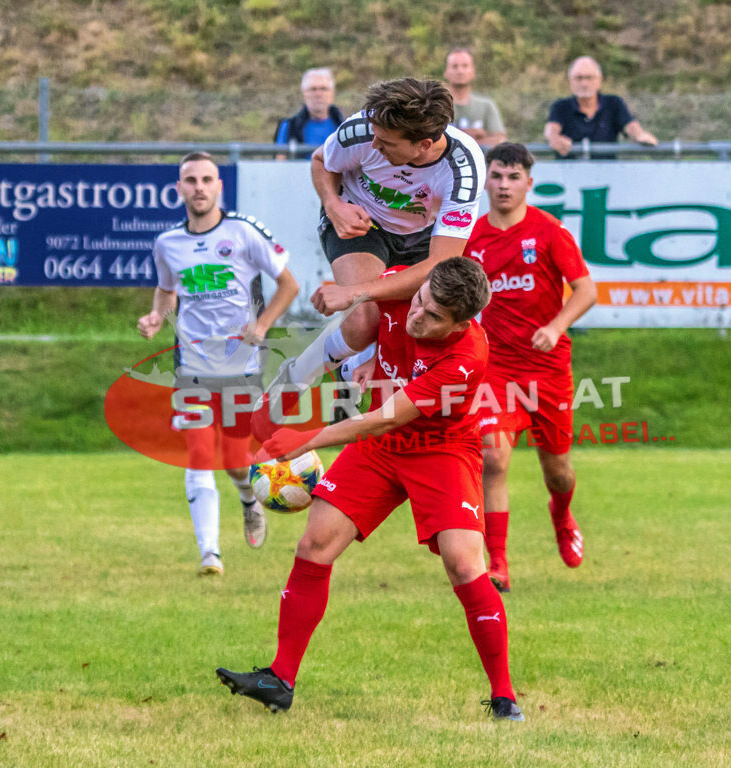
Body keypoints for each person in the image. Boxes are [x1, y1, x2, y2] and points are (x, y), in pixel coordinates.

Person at [216, 258, 525, 722]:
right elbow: (364, 324)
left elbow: (385, 417)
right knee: (314, 544)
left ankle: (504, 697)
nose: (418, 314)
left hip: (440, 451)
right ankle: (279, 680)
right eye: (420, 301)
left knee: (463, 563)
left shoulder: (468, 358)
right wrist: (362, 362)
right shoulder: (403, 289)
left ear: (461, 324)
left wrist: (304, 437)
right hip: (381, 449)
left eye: (434, 317)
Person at [137, 151, 299, 575]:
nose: (199, 188)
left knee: (232, 459)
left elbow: (289, 285)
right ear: (179, 189)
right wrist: (157, 316)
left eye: (207, 179)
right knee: (198, 454)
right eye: (190, 180)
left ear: (218, 186)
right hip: (190, 360)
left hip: (240, 364)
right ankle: (210, 554)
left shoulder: (244, 233)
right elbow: (166, 290)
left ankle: (249, 499)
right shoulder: (167, 243)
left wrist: (263, 326)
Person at [465, 143, 597, 593]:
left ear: (528, 183)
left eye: (513, 177)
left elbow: (585, 291)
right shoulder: (470, 238)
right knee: (492, 457)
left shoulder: (549, 232)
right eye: (497, 176)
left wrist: (557, 325)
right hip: (497, 370)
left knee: (556, 469)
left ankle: (561, 515)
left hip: (548, 370)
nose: (504, 185)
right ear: (486, 182)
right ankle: (497, 562)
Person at [307, 76, 486, 370]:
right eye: (375, 134)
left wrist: (352, 292)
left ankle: (355, 374)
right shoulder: (363, 128)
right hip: (360, 219)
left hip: (422, 235)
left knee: (424, 324)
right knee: (364, 321)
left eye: (386, 142)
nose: (374, 144)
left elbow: (441, 262)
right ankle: (300, 373)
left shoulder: (464, 169)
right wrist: (333, 204)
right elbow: (320, 161)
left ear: (423, 144)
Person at [544, 56, 657, 159]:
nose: (584, 83)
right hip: (568, 175)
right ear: (570, 82)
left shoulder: (614, 103)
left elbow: (629, 125)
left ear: (599, 81)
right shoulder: (561, 106)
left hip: (607, 174)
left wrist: (639, 135)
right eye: (579, 78)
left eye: (589, 78)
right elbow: (551, 128)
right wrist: (554, 139)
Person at [444, 47, 508, 149]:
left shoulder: (487, 105)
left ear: (473, 71)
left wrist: (460, 138)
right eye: (455, 66)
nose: (460, 71)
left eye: (465, 66)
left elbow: (500, 140)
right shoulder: (437, 105)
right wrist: (475, 136)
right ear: (446, 72)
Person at [274, 68, 344, 158]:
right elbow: (280, 164)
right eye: (313, 89)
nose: (318, 94)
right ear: (304, 94)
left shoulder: (344, 126)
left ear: (332, 93)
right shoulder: (290, 127)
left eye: (324, 89)